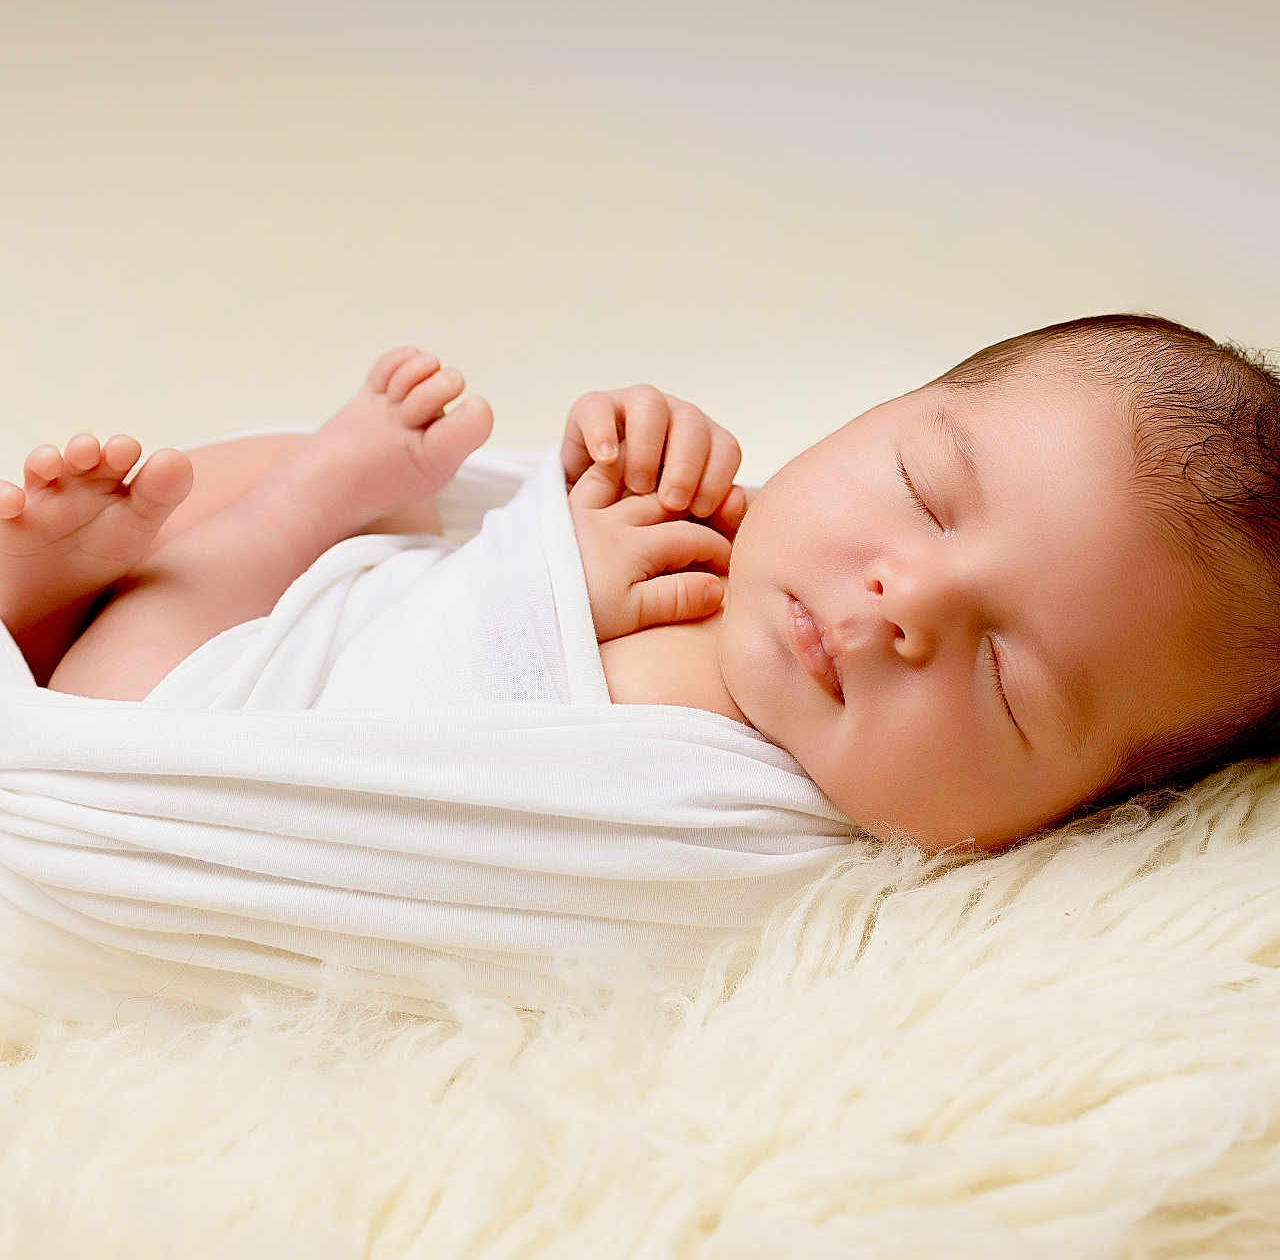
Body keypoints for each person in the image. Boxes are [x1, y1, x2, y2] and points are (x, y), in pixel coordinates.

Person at [3, 313, 1278, 855]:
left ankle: (98, 599)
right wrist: (609, 471)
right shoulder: (735, 549)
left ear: (1070, 817)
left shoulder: (754, 831)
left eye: (1007, 675)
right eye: (925, 491)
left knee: (144, 675)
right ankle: (298, 497)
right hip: (349, 602)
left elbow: (469, 784)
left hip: (185, 723)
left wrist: (555, 577)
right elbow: (502, 528)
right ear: (872, 412)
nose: (904, 601)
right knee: (392, 496)